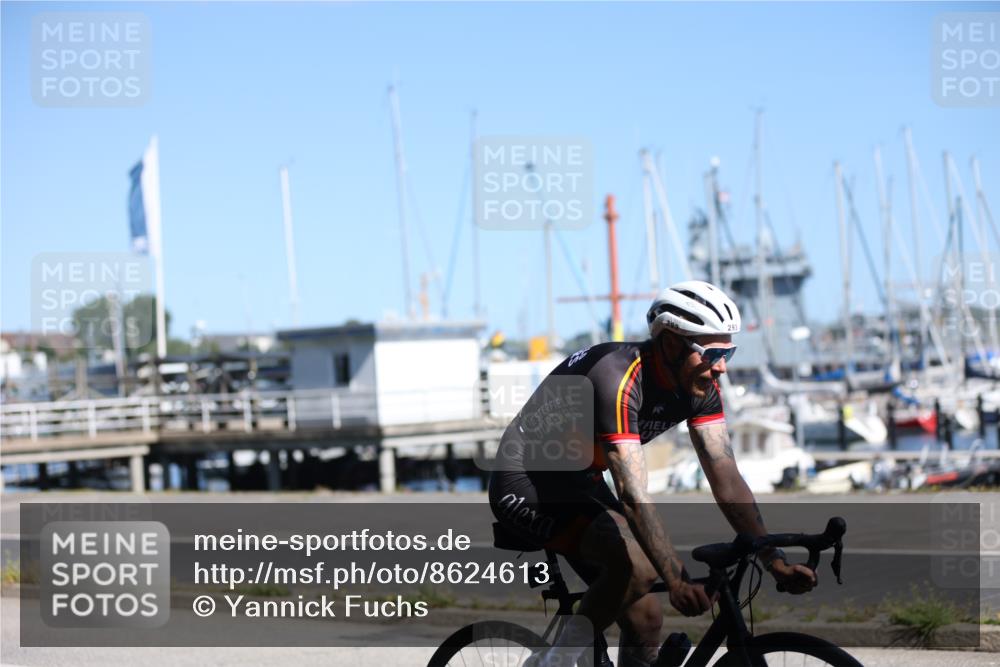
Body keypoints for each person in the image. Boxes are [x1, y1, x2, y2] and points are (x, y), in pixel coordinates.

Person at [488, 280, 817, 667]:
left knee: (647, 620)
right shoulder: (617, 378)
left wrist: (771, 559)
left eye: (728, 351)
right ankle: (553, 661)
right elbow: (632, 493)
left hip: (579, 481)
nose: (723, 367)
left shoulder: (700, 383)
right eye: (713, 352)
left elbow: (724, 473)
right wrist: (675, 578)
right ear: (672, 344)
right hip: (526, 480)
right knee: (640, 570)